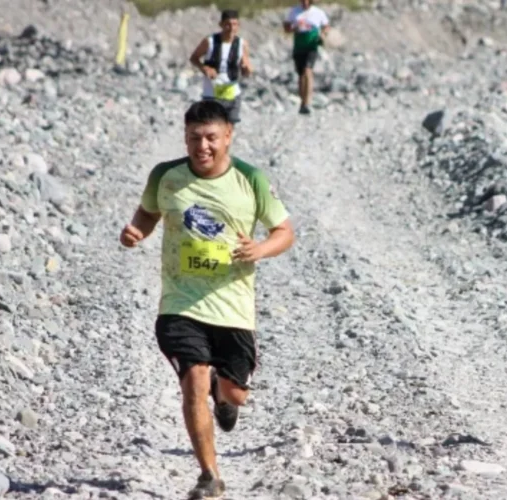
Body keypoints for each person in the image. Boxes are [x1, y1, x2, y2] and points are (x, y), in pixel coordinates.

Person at [119, 100, 295, 499]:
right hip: (181, 303)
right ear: (185, 137)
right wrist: (136, 232)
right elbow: (147, 213)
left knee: (235, 395)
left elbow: (285, 231)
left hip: (233, 305)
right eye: (194, 138)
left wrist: (260, 249)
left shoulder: (251, 179)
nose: (203, 146)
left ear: (228, 136)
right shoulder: (166, 176)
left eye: (211, 138)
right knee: (193, 381)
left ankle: (224, 391)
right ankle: (209, 476)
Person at [189, 9, 253, 124]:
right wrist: (204, 68)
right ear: (221, 25)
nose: (231, 28)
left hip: (232, 95)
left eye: (234, 24)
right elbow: (194, 58)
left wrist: (246, 69)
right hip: (212, 95)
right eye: (228, 24)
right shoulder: (210, 42)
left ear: (238, 25)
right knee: (214, 131)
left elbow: (246, 69)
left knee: (228, 132)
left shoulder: (242, 44)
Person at [283, 0, 330, 115]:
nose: (305, 2)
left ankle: (307, 103)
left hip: (312, 46)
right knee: (301, 75)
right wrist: (294, 28)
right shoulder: (294, 11)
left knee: (308, 70)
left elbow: (326, 26)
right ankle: (302, 101)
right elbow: (286, 27)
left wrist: (323, 35)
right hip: (299, 47)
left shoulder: (318, 12)